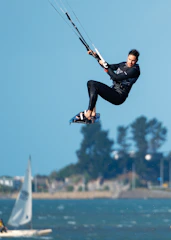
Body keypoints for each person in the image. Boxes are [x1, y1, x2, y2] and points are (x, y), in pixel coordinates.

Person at [76, 49, 140, 123]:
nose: (130, 62)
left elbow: (116, 77)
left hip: (119, 96)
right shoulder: (123, 64)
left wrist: (106, 67)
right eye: (129, 59)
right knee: (90, 83)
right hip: (113, 90)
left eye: (133, 60)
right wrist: (96, 57)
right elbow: (108, 66)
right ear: (127, 57)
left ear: (136, 61)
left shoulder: (135, 70)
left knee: (94, 84)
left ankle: (88, 113)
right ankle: (93, 112)